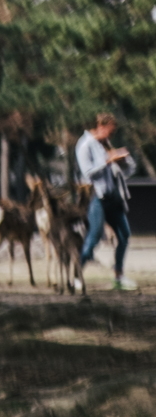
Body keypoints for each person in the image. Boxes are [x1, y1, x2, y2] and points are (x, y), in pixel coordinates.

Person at [75, 112, 137, 290]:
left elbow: (126, 171)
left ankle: (118, 275)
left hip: (113, 198)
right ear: (100, 127)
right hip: (97, 198)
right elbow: (88, 173)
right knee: (94, 237)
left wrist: (123, 158)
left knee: (124, 235)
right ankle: (76, 275)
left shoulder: (103, 145)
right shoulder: (85, 144)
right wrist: (108, 159)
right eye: (109, 132)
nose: (110, 136)